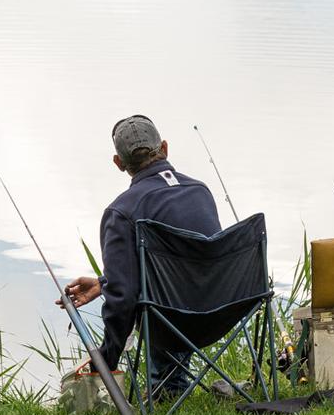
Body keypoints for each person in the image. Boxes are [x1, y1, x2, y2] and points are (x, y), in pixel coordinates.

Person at [59, 114, 222, 396]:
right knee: (177, 292)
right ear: (166, 148)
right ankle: (170, 386)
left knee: (160, 305)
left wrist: (106, 358)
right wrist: (104, 282)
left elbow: (123, 300)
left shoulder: (121, 211)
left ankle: (166, 388)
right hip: (220, 313)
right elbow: (185, 262)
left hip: (170, 324)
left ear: (119, 163)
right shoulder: (200, 191)